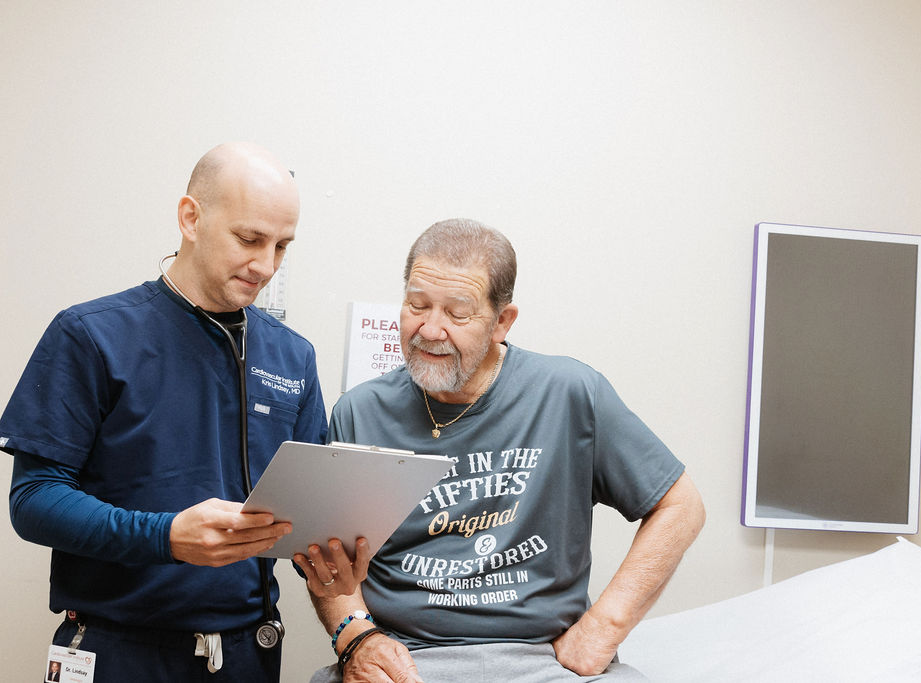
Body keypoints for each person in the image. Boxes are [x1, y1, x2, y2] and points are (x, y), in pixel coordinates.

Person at [1, 142, 365, 682]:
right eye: (249, 239)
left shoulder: (293, 356)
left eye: (282, 247)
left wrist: (342, 557)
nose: (265, 266)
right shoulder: (91, 335)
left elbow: (306, 514)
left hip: (249, 652)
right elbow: (33, 501)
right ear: (190, 218)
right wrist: (166, 535)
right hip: (117, 649)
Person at [304, 218, 706, 682]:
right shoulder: (361, 411)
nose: (430, 329)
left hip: (542, 658)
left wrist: (604, 627)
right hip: (406, 659)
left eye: (458, 314)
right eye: (417, 305)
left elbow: (682, 505)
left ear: (502, 322)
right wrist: (358, 640)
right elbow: (327, 558)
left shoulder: (571, 393)